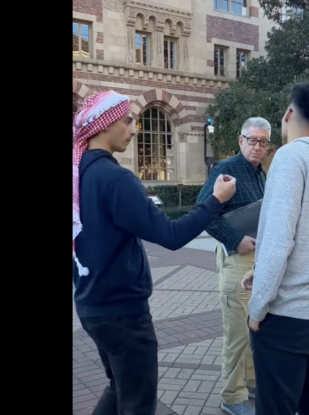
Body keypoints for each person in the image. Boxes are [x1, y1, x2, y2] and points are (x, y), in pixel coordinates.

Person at [72, 91, 237, 415]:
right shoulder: (116, 179)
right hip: (124, 315)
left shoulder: (82, 176)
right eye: (127, 120)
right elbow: (171, 235)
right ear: (104, 126)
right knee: (138, 403)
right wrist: (216, 200)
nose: (133, 129)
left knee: (120, 389)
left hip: (92, 308)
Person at [244, 81, 309, 415]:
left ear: (288, 113)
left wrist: (257, 309)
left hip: (289, 315)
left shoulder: (290, 157)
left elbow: (279, 241)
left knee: (276, 407)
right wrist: (259, 271)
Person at [195, 117, 271, 415]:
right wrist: (236, 239)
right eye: (252, 140)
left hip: (256, 263)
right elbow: (204, 213)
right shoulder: (227, 169)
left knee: (254, 328)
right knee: (238, 335)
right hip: (237, 262)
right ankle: (232, 398)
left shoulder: (258, 173)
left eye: (263, 141)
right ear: (240, 140)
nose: (257, 146)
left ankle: (250, 384)